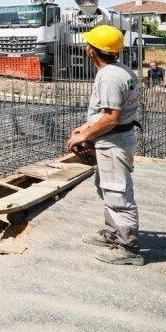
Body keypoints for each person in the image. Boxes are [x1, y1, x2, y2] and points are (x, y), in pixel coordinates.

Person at [66, 24, 144, 265]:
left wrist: (84, 136)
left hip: (114, 141)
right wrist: (87, 127)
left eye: (88, 44)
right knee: (106, 187)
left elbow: (112, 118)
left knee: (118, 192)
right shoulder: (119, 70)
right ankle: (113, 232)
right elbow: (107, 113)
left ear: (93, 50)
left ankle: (128, 247)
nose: (85, 47)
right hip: (116, 137)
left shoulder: (109, 77)